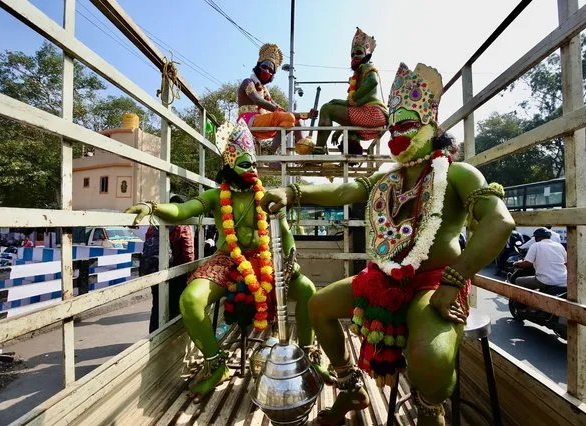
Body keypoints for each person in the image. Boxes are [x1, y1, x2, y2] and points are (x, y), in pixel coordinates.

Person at [262, 62, 514, 426]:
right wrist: (293, 191)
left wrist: (454, 281)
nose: (397, 134)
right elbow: (346, 189)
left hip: (435, 284)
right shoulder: (386, 180)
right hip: (382, 279)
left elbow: (499, 221)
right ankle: (351, 390)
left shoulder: (458, 173)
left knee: (430, 358)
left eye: (408, 126)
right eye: (393, 127)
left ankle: (430, 414)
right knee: (319, 306)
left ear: (433, 128)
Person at [125, 119, 328, 402]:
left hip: (265, 258)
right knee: (190, 300)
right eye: (246, 165)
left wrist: (291, 261)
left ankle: (307, 356)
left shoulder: (268, 196)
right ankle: (216, 364)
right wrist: (152, 206)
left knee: (307, 290)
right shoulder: (215, 196)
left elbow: (286, 234)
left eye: (254, 165)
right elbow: (182, 210)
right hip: (227, 260)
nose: (253, 171)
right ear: (230, 164)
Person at [312, 27, 387, 156]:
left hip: (372, 114)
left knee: (326, 109)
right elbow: (354, 103)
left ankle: (319, 149)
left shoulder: (367, 66)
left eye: (358, 53)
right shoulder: (358, 74)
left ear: (367, 55)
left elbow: (372, 82)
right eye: (352, 54)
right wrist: (340, 129)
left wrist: (350, 101)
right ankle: (352, 156)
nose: (355, 56)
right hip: (368, 123)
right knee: (348, 132)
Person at [237, 43, 316, 154]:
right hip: (247, 121)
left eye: (271, 70)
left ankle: (304, 153)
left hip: (261, 122)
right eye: (265, 67)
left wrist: (307, 115)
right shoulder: (248, 82)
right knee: (287, 117)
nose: (267, 72)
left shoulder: (265, 91)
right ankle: (270, 155)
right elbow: (257, 100)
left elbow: (280, 109)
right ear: (258, 66)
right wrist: (281, 112)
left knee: (298, 122)